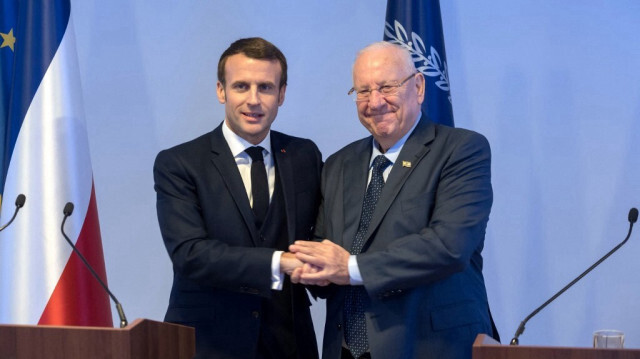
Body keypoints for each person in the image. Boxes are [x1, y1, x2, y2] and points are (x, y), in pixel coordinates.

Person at [290, 41, 499, 359]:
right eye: (363, 91)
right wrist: (305, 266)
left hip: (429, 347)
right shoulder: (339, 164)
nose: (375, 102)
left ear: (418, 86)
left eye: (386, 87)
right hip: (346, 349)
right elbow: (327, 250)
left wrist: (350, 267)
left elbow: (449, 247)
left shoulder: (461, 150)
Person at [154, 37, 321, 359]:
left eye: (266, 87)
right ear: (221, 91)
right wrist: (280, 261)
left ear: (282, 94)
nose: (253, 100)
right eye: (241, 86)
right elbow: (190, 254)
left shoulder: (304, 154)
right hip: (207, 343)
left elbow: (321, 229)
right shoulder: (179, 162)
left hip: (289, 342)